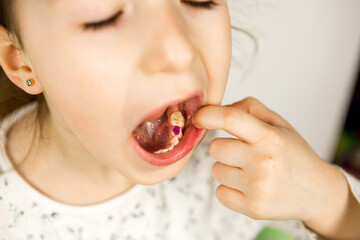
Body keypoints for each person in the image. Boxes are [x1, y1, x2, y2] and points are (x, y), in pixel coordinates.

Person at [0, 0, 359, 239]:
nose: (179, 50)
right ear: (21, 61)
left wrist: (328, 199)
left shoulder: (234, 168)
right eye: (103, 16)